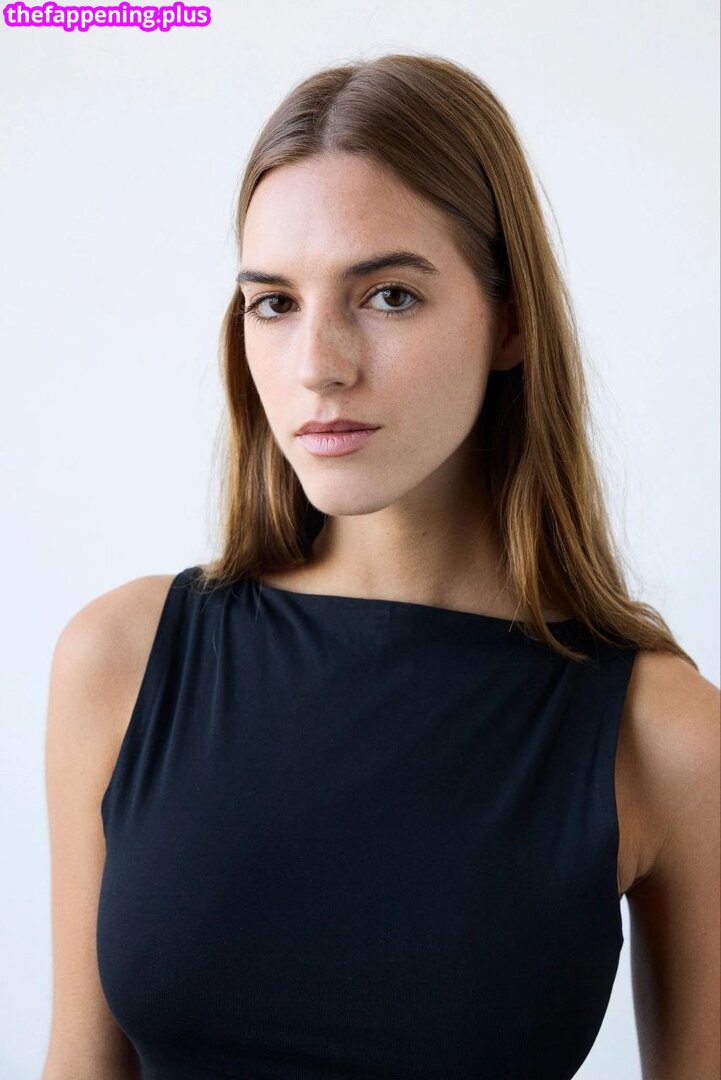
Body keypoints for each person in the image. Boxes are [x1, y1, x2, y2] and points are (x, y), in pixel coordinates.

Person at [42, 53, 720, 1079]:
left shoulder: (661, 737)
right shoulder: (121, 663)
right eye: (274, 303)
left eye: (388, 296)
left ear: (509, 320)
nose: (318, 364)